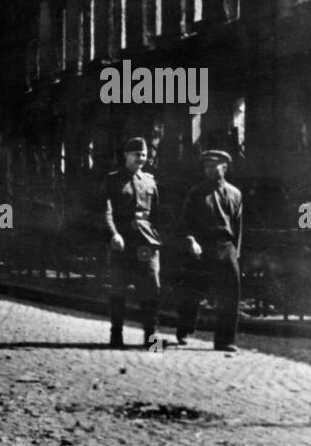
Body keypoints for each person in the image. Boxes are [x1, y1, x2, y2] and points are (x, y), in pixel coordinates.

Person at [175, 150, 244, 353]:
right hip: (202, 246)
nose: (209, 170)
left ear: (225, 167)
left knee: (231, 293)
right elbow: (185, 222)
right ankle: (184, 329)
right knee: (192, 290)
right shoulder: (196, 193)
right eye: (206, 166)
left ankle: (225, 340)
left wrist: (235, 253)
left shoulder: (236, 194)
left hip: (226, 246)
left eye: (213, 166)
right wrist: (191, 241)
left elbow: (238, 225)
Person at [103, 138, 162, 348]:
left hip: (146, 244)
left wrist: (157, 239)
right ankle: (116, 336)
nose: (141, 158)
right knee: (118, 288)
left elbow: (156, 214)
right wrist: (114, 234)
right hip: (123, 243)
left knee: (151, 290)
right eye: (136, 154)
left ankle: (152, 339)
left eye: (144, 155)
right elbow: (106, 212)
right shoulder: (113, 180)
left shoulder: (150, 181)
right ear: (126, 155)